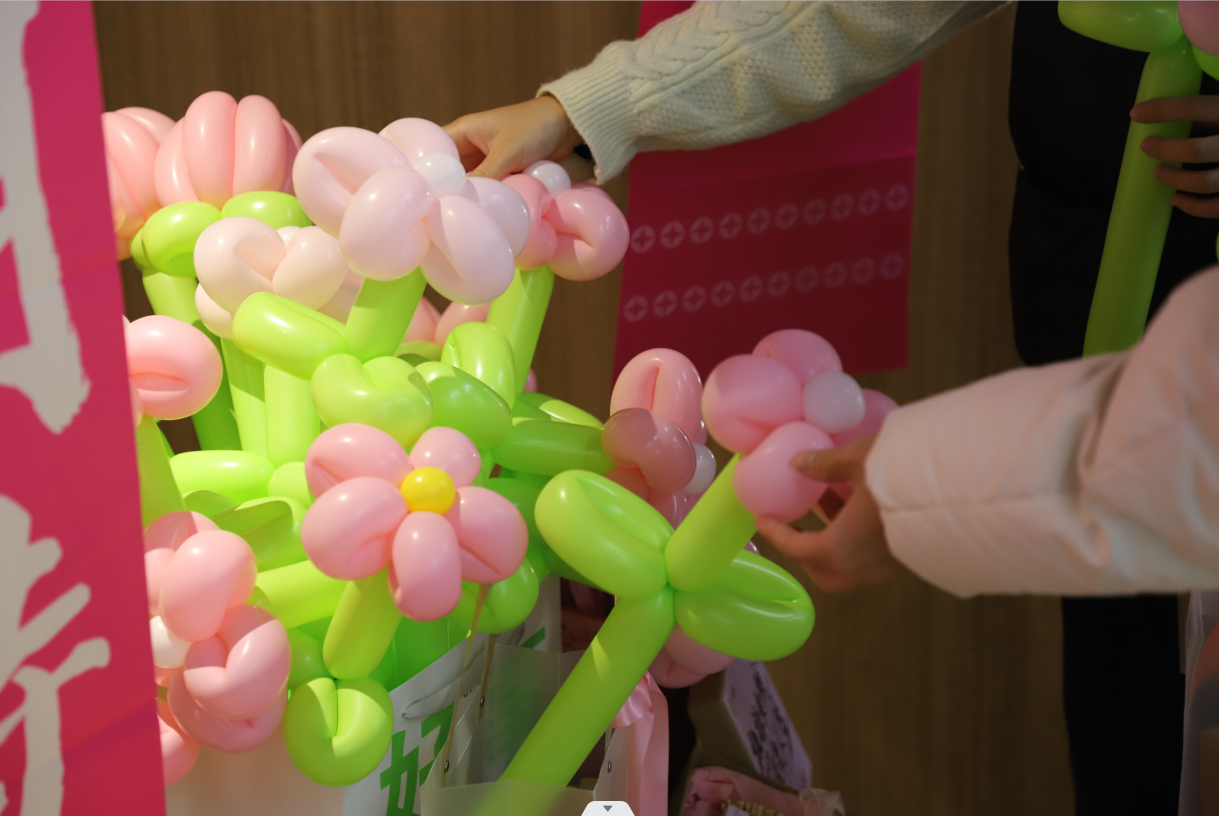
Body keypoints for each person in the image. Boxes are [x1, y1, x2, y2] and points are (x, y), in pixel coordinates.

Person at [442, 3, 1219, 813]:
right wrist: (586, 109)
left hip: (1130, 435)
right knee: (1123, 699)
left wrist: (928, 493)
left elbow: (1179, 437)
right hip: (1091, 341)